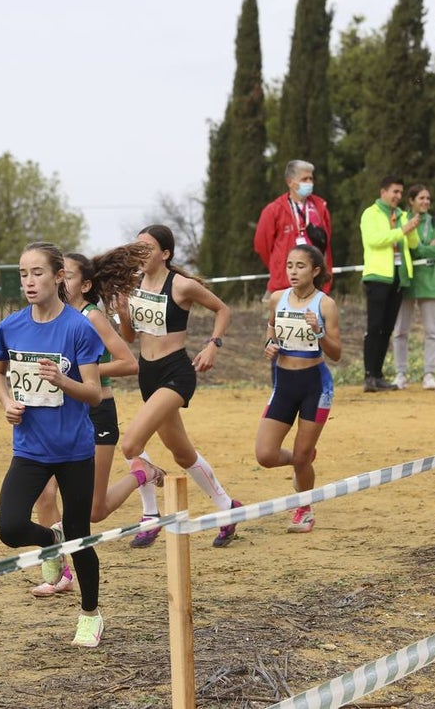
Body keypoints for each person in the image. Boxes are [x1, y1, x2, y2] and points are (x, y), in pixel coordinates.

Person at [30, 244, 165, 596]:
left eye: (69, 276)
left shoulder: (91, 317)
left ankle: (142, 473)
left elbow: (128, 363)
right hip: (59, 413)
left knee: (94, 511)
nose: (61, 281)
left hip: (96, 413)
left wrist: (78, 372)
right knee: (44, 494)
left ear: (84, 285)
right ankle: (60, 572)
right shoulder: (48, 316)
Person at [0, 242, 106, 646]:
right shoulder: (11, 326)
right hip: (30, 449)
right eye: (23, 274)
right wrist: (7, 402)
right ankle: (48, 541)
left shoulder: (78, 328)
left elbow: (94, 394)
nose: (29, 281)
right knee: (9, 527)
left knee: (80, 534)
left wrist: (62, 381)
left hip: (74, 450)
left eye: (37, 273)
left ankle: (90, 614)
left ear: (59, 277)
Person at [116, 224, 242, 549]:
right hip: (148, 373)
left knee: (131, 444)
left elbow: (222, 309)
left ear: (165, 254)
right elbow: (130, 338)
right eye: (137, 247)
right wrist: (123, 315)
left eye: (147, 248)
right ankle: (228, 508)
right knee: (182, 453)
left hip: (176, 373)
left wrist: (213, 344)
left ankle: (150, 515)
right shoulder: (134, 286)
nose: (140, 254)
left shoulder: (182, 285)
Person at [255, 244, 341, 533]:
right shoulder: (277, 299)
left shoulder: (325, 304)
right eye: (289, 265)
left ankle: (304, 509)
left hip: (314, 385)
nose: (292, 271)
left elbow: (337, 352)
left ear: (315, 270)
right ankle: (302, 462)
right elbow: (270, 328)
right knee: (265, 455)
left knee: (302, 455)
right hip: (283, 383)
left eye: (300, 266)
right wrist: (269, 345)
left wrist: (319, 332)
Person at [360, 175, 420, 393]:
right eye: (394, 191)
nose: (398, 196)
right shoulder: (370, 214)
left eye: (400, 193)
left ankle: (378, 375)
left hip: (398, 277)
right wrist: (402, 231)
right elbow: (374, 240)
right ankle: (369, 375)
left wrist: (412, 229)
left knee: (387, 329)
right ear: (383, 192)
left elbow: (412, 244)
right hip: (378, 276)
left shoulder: (402, 215)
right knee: (374, 327)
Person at [391, 185, 435, 390]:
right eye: (421, 198)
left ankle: (429, 374)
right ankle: (401, 374)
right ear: (411, 200)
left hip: (431, 282)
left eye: (428, 198)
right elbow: (403, 246)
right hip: (407, 281)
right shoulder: (402, 219)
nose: (425, 202)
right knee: (400, 331)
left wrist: (421, 249)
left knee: (432, 331)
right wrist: (425, 248)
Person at [254, 159, 335, 297]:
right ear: (290, 182)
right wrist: (279, 266)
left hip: (316, 284)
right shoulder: (274, 210)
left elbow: (327, 242)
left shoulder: (320, 207)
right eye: (304, 179)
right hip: (283, 286)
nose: (309, 183)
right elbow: (262, 245)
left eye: (311, 178)